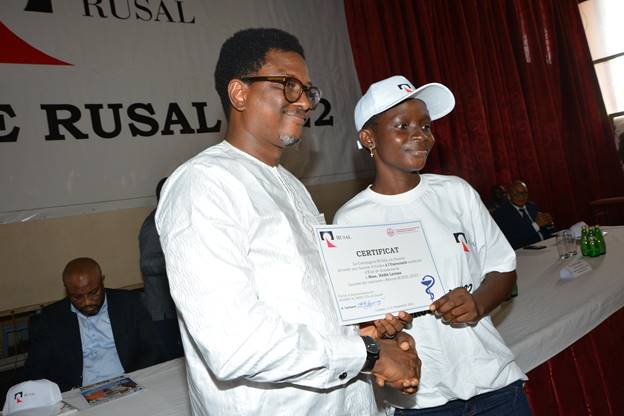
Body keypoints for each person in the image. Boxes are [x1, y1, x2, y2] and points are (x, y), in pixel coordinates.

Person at [155, 28, 420, 415]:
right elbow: (235, 344)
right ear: (239, 93)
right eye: (289, 85)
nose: (305, 102)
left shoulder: (291, 186)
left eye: (308, 91)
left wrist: (367, 329)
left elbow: (306, 303)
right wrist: (369, 355)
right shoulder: (203, 184)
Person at [334, 75, 530, 415]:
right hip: (422, 399)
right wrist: (383, 328)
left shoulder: (456, 192)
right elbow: (360, 321)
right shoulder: (350, 220)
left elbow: (503, 267)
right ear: (369, 138)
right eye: (403, 125)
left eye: (426, 126)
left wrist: (477, 303)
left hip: (493, 384)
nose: (421, 135)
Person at [23, 257, 162, 392]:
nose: (87, 302)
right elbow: (35, 370)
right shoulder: (50, 319)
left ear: (102, 281)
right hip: (77, 393)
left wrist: (132, 380)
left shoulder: (129, 304)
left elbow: (152, 349)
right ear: (67, 289)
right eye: (77, 297)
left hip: (128, 384)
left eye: (93, 293)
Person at [138, 177, 183, 361]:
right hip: (162, 310)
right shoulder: (152, 225)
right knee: (171, 360)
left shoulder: (171, 219)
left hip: (175, 305)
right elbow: (146, 264)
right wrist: (175, 259)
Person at [493, 180, 555, 249]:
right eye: (517, 193)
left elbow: (544, 230)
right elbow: (514, 238)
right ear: (509, 196)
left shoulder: (531, 206)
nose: (521, 196)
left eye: (524, 193)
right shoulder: (502, 213)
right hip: (524, 250)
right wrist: (536, 225)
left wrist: (549, 223)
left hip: (544, 244)